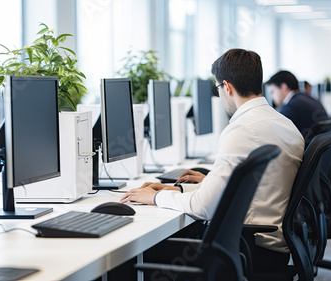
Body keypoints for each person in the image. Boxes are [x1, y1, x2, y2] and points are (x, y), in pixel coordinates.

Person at [120, 49, 304, 272]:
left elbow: (205, 207)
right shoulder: (284, 123)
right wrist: (180, 190)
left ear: (227, 87)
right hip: (267, 246)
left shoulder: (241, 129)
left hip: (249, 249)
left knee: (138, 256)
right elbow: (250, 188)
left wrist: (157, 197)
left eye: (218, 89)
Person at [266, 70, 328, 138]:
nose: (272, 97)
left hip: (308, 146)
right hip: (323, 146)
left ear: (284, 87)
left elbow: (277, 132)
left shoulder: (291, 106)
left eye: (272, 92)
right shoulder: (308, 98)